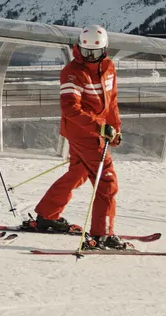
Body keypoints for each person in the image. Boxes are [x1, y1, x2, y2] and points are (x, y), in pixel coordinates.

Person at [30, 25, 126, 250]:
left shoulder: (109, 68)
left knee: (79, 172)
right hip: (84, 133)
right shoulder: (72, 72)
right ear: (79, 48)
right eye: (85, 52)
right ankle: (102, 234)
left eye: (94, 53)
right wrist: (100, 127)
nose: (89, 57)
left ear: (105, 50)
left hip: (96, 132)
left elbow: (111, 102)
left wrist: (115, 129)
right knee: (106, 182)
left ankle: (47, 214)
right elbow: (70, 109)